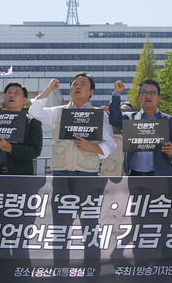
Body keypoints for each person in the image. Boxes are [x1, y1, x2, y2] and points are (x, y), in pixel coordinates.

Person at [29, 73, 115, 272]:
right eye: (74, 84)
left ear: (91, 92)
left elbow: (110, 143)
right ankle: (61, 270)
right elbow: (34, 110)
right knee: (61, 227)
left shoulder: (99, 115)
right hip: (61, 176)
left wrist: (94, 149)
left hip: (88, 176)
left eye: (83, 84)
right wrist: (49, 89)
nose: (77, 86)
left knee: (90, 226)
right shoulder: (58, 112)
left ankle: (92, 270)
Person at [108, 78, 172, 267]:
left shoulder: (169, 121)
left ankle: (165, 267)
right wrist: (116, 94)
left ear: (158, 97)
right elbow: (114, 118)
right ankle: (142, 266)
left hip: (162, 180)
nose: (148, 96)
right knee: (139, 223)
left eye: (152, 93)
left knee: (164, 223)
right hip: (137, 179)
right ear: (139, 97)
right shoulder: (130, 119)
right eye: (144, 93)